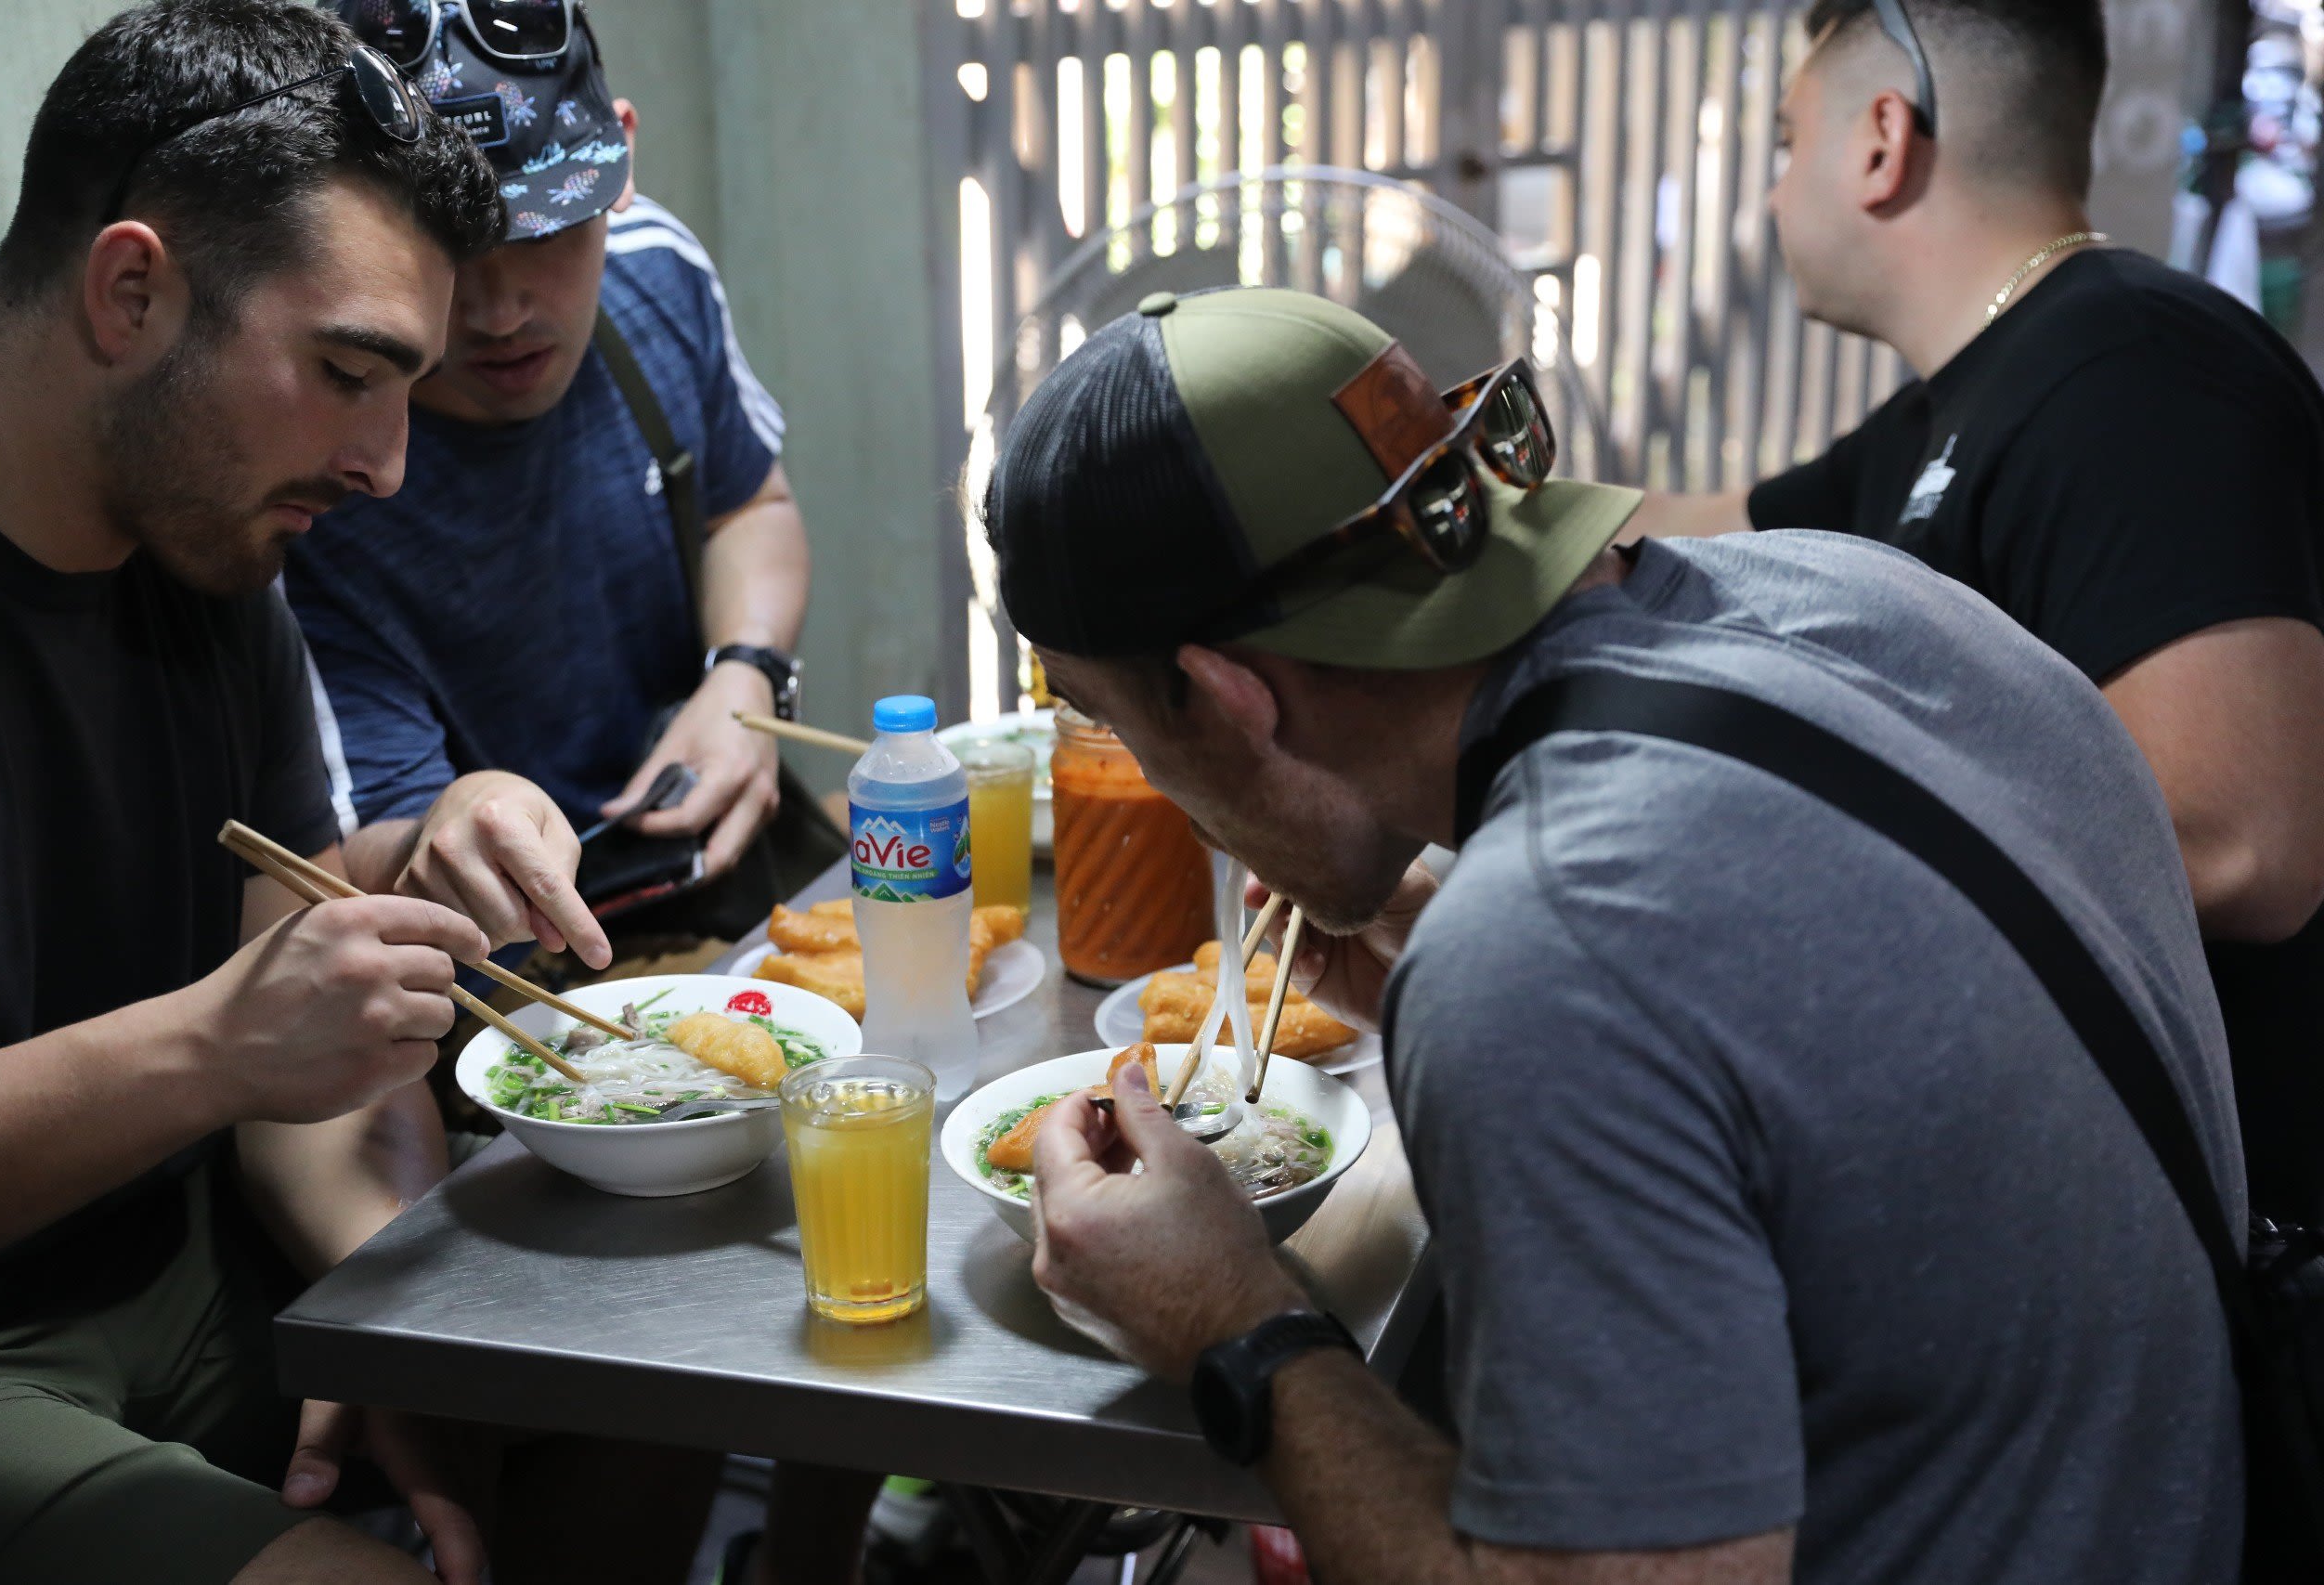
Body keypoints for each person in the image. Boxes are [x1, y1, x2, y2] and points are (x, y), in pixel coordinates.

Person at [984, 287, 2244, 1581]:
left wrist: (1232, 1319)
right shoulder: (1862, 593)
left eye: (1110, 720)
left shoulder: (1549, 948)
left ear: (1223, 694)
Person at [0, 6, 709, 1582]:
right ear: (132, 288)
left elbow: (296, 1034)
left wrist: (395, 1311)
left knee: (662, 1370)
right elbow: (241, 1036)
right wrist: (218, 1041)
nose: (387, 467)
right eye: (350, 373)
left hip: (197, 1261)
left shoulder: (206, 539)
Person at [1631, 0, 2324, 1226]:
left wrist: (1772, 868)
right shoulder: (1958, 402)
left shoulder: (2133, 369)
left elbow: (2244, 846)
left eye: (1791, 146)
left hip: (2231, 1238)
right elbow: (1711, 528)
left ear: (1882, 140)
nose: (1779, 196)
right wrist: (1459, 487)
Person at [286, 1, 843, 955]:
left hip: (708, 878)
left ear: (619, 163)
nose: (502, 310)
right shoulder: (311, 472)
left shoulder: (656, 276)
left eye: (544, 231)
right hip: (502, 973)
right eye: (449, 254)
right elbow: (350, 851)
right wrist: (459, 820)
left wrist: (743, 681)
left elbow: (752, 506)